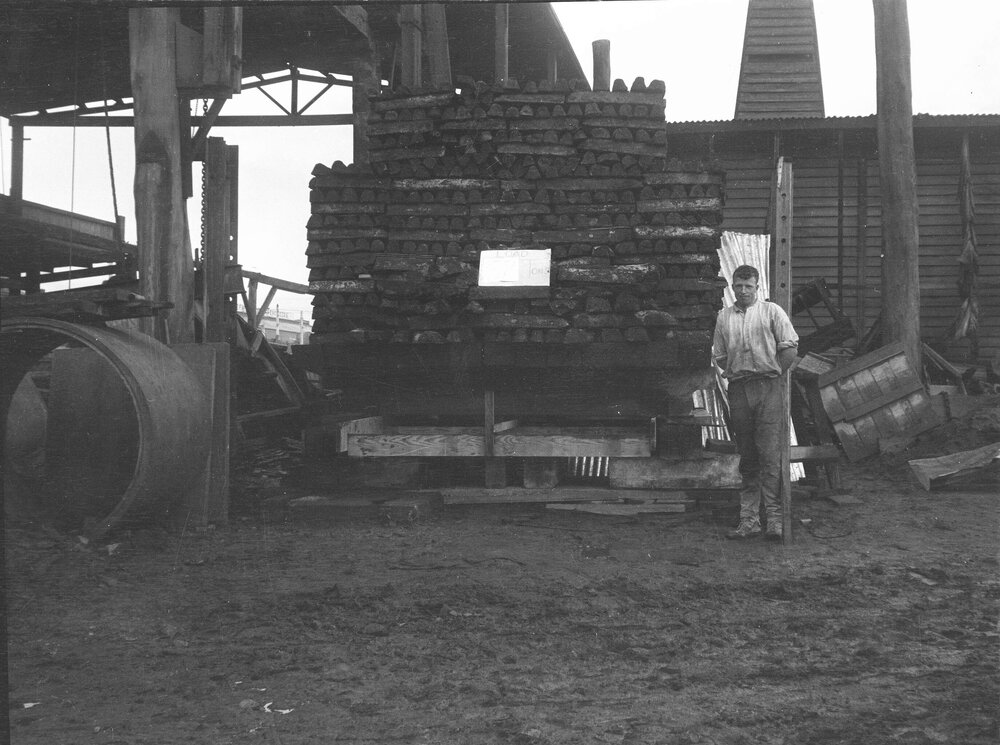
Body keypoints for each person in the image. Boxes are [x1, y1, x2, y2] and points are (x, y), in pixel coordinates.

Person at [712, 264, 799, 540]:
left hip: (768, 388)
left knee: (770, 454)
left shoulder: (772, 312)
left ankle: (775, 520)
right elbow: (721, 356)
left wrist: (773, 374)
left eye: (749, 286)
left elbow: (790, 348)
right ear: (733, 287)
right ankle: (749, 521)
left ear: (757, 287)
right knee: (748, 456)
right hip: (739, 389)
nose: (743, 290)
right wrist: (740, 373)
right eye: (739, 286)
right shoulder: (724, 317)